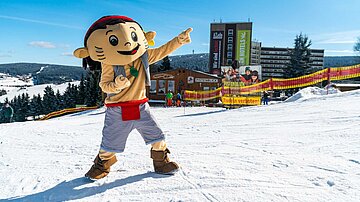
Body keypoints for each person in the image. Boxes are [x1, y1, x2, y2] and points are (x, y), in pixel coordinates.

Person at [73, 15, 192, 179]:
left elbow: (162, 51)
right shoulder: (109, 63)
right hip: (117, 110)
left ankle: (161, 162)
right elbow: (104, 85)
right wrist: (117, 85)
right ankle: (102, 165)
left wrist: (178, 41)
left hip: (141, 107)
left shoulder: (142, 57)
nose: (128, 43)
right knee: (109, 144)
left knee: (158, 137)